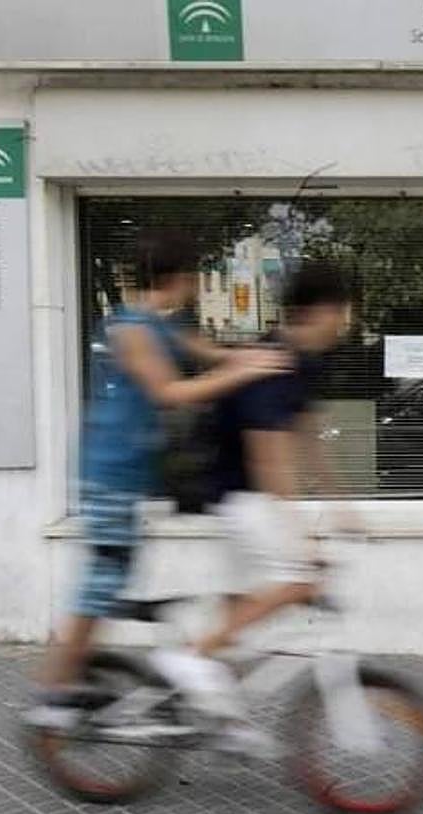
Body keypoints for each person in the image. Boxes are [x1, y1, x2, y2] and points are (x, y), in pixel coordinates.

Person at [33, 230, 288, 700]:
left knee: (112, 579)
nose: (194, 285)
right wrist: (242, 374)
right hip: (109, 474)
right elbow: (169, 392)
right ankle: (55, 691)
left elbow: (210, 353)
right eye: (192, 277)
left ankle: (76, 677)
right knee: (100, 584)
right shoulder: (131, 330)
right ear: (178, 278)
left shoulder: (161, 324)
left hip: (128, 476)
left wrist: (255, 356)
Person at [149, 260, 358, 719]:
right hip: (241, 498)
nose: (347, 322)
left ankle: (216, 707)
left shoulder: (301, 362)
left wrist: (341, 505)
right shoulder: (273, 362)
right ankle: (189, 658)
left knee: (240, 606)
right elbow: (269, 460)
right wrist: (302, 535)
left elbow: (310, 435)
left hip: (247, 499)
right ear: (322, 311)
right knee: (297, 581)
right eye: (344, 311)